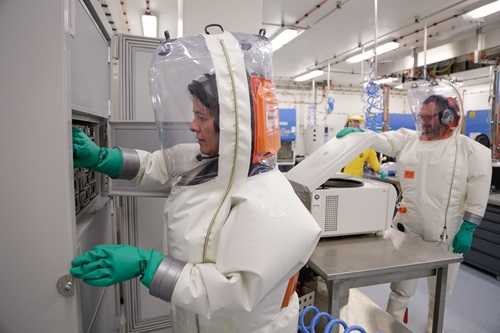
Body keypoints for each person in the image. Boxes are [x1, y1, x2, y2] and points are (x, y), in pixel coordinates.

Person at [70, 31, 321, 332]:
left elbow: (232, 291)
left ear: (232, 126)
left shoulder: (272, 203)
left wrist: (146, 264)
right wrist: (101, 158)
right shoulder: (210, 161)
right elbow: (157, 164)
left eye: (201, 117)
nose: (192, 126)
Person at [337, 82, 492, 333]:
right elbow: (382, 140)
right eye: (421, 117)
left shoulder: (469, 150)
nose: (424, 123)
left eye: (430, 118)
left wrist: (469, 226)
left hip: (446, 232)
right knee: (400, 289)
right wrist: (361, 136)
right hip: (407, 228)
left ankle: (434, 329)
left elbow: (479, 187)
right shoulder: (409, 141)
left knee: (440, 291)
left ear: (447, 116)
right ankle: (391, 328)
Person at [340, 115, 387, 179]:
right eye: (353, 123)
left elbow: (372, 159)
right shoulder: (343, 139)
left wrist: (380, 171)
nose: (355, 126)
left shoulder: (365, 144)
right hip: (340, 178)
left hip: (356, 180)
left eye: (358, 124)